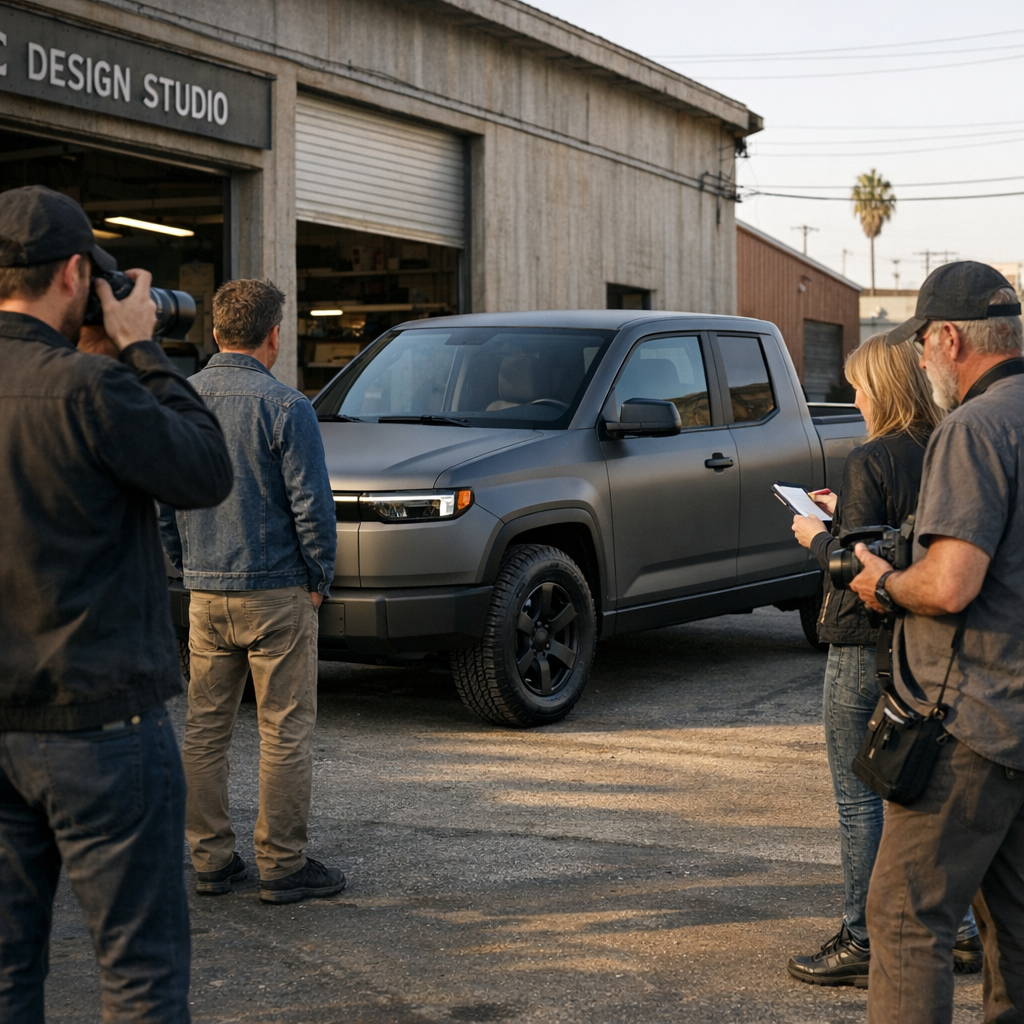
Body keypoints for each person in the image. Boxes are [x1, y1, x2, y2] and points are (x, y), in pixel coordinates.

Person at [0, 185, 234, 1022]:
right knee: (139, 977)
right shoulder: (92, 389)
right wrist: (139, 350)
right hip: (99, 725)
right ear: (74, 273)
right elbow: (205, 470)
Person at [848, 262, 1024, 1024]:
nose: (921, 362)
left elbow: (951, 584)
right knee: (1015, 931)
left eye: (922, 344)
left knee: (903, 917)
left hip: (971, 723)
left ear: (950, 338)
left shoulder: (975, 428)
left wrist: (883, 582)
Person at [784, 334, 983, 987]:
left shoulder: (869, 457)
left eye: (860, 387)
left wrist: (818, 536)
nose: (855, 400)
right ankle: (961, 929)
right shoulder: (945, 448)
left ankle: (862, 936)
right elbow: (909, 537)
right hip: (928, 646)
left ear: (884, 391)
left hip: (861, 643)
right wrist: (846, 512)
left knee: (858, 797)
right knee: (926, 791)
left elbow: (858, 567)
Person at [159, 278, 343, 905]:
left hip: (205, 593)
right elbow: (312, 507)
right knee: (284, 730)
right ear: (275, 336)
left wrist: (188, 567)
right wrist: (318, 580)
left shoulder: (177, 402)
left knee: (205, 729)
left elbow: (164, 502)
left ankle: (210, 862)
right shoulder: (288, 407)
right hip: (277, 593)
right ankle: (282, 866)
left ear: (215, 333)